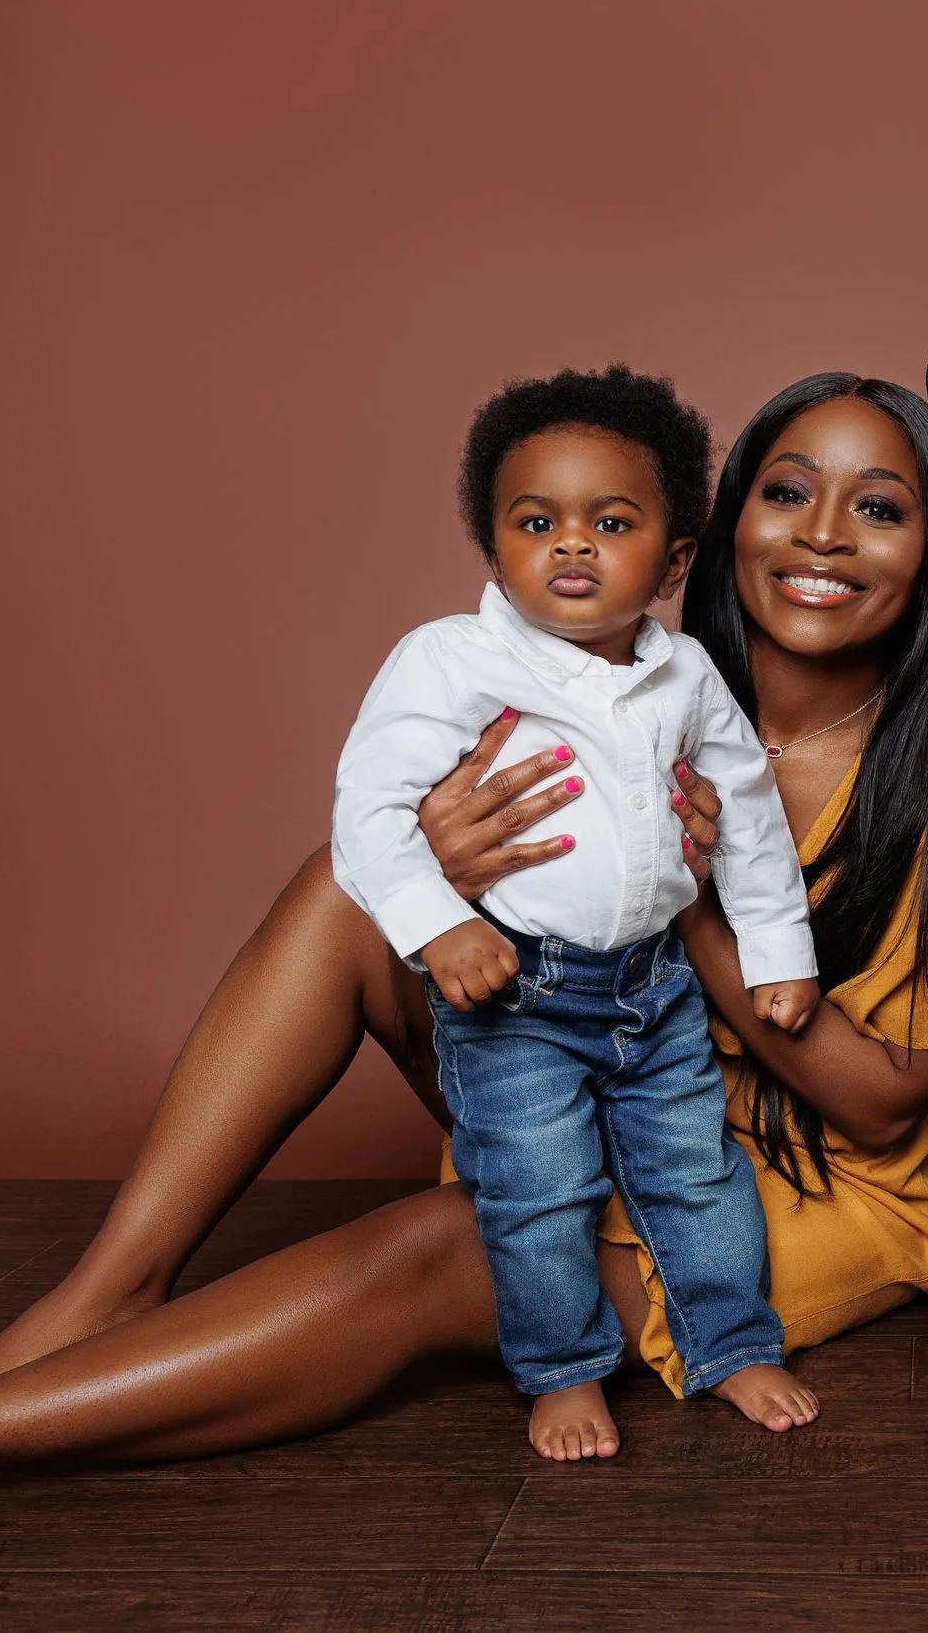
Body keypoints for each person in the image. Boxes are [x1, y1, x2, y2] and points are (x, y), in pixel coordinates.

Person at [0, 371, 928, 1596]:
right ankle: (108, 1292)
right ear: (712, 530)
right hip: (569, 1059)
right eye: (787, 490)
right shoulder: (608, 676)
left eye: (879, 507)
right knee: (343, 879)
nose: (822, 534)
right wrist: (435, 861)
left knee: (439, 1244)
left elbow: (881, 1108)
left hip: (806, 1182)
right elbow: (416, 844)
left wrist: (680, 906)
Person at [333, 366, 823, 1454]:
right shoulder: (453, 661)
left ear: (675, 557)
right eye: (536, 521)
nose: (571, 545)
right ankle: (561, 1368)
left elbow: (743, 812)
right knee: (539, 1189)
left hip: (655, 988)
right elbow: (366, 808)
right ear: (494, 549)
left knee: (695, 1172)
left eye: (610, 521)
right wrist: (438, 923)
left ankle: (733, 1344)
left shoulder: (686, 675)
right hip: (517, 987)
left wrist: (778, 949)